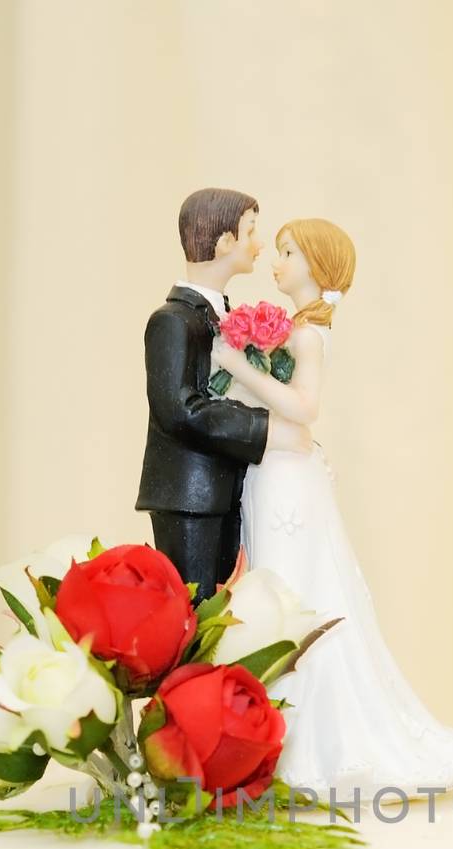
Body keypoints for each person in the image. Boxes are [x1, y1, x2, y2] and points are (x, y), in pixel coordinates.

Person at [210, 217, 453, 801]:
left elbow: (304, 407)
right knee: (276, 591)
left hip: (289, 478)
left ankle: (309, 747)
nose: (276, 262)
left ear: (315, 263)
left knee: (295, 592)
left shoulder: (309, 335)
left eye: (286, 252)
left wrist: (238, 367)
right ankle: (277, 740)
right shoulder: (296, 327)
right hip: (277, 472)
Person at [136, 187, 311, 599]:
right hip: (190, 498)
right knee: (197, 616)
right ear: (224, 241)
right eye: (251, 230)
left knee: (227, 610)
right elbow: (181, 410)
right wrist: (265, 430)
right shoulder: (173, 322)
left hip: (226, 487)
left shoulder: (224, 317)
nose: (259, 243)